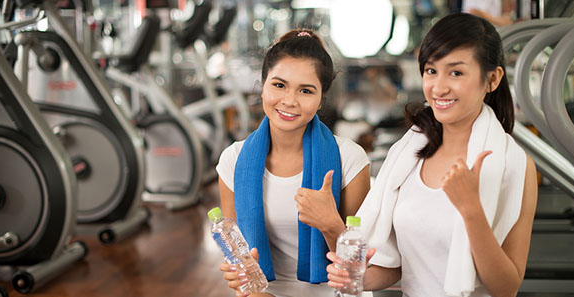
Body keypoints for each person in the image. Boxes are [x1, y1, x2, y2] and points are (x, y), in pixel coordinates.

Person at [326, 13, 537, 297]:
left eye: (456, 72)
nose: (439, 87)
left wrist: (471, 210)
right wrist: (355, 276)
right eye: (430, 70)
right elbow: (398, 267)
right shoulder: (408, 154)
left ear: (492, 79)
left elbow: (506, 288)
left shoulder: (515, 166)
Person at [216, 28, 370, 297]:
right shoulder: (233, 160)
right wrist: (244, 281)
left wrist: (330, 224)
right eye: (279, 85)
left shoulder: (350, 159)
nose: (289, 101)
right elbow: (239, 258)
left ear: (322, 99)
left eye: (306, 91)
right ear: (263, 85)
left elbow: (360, 270)